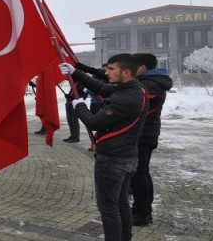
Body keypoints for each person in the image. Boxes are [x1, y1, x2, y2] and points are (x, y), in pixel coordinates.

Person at [60, 54, 147, 241]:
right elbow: (102, 88)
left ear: (126, 72)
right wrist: (76, 72)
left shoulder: (125, 99)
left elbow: (94, 122)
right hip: (127, 157)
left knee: (108, 207)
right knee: (121, 202)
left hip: (113, 160)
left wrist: (79, 105)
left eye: (111, 69)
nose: (106, 72)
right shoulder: (132, 88)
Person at [130, 53, 173, 227]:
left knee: (139, 174)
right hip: (147, 133)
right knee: (142, 173)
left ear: (142, 68)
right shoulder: (154, 81)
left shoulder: (148, 85)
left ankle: (141, 213)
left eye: (132, 66)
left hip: (143, 134)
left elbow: (130, 103)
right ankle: (144, 212)